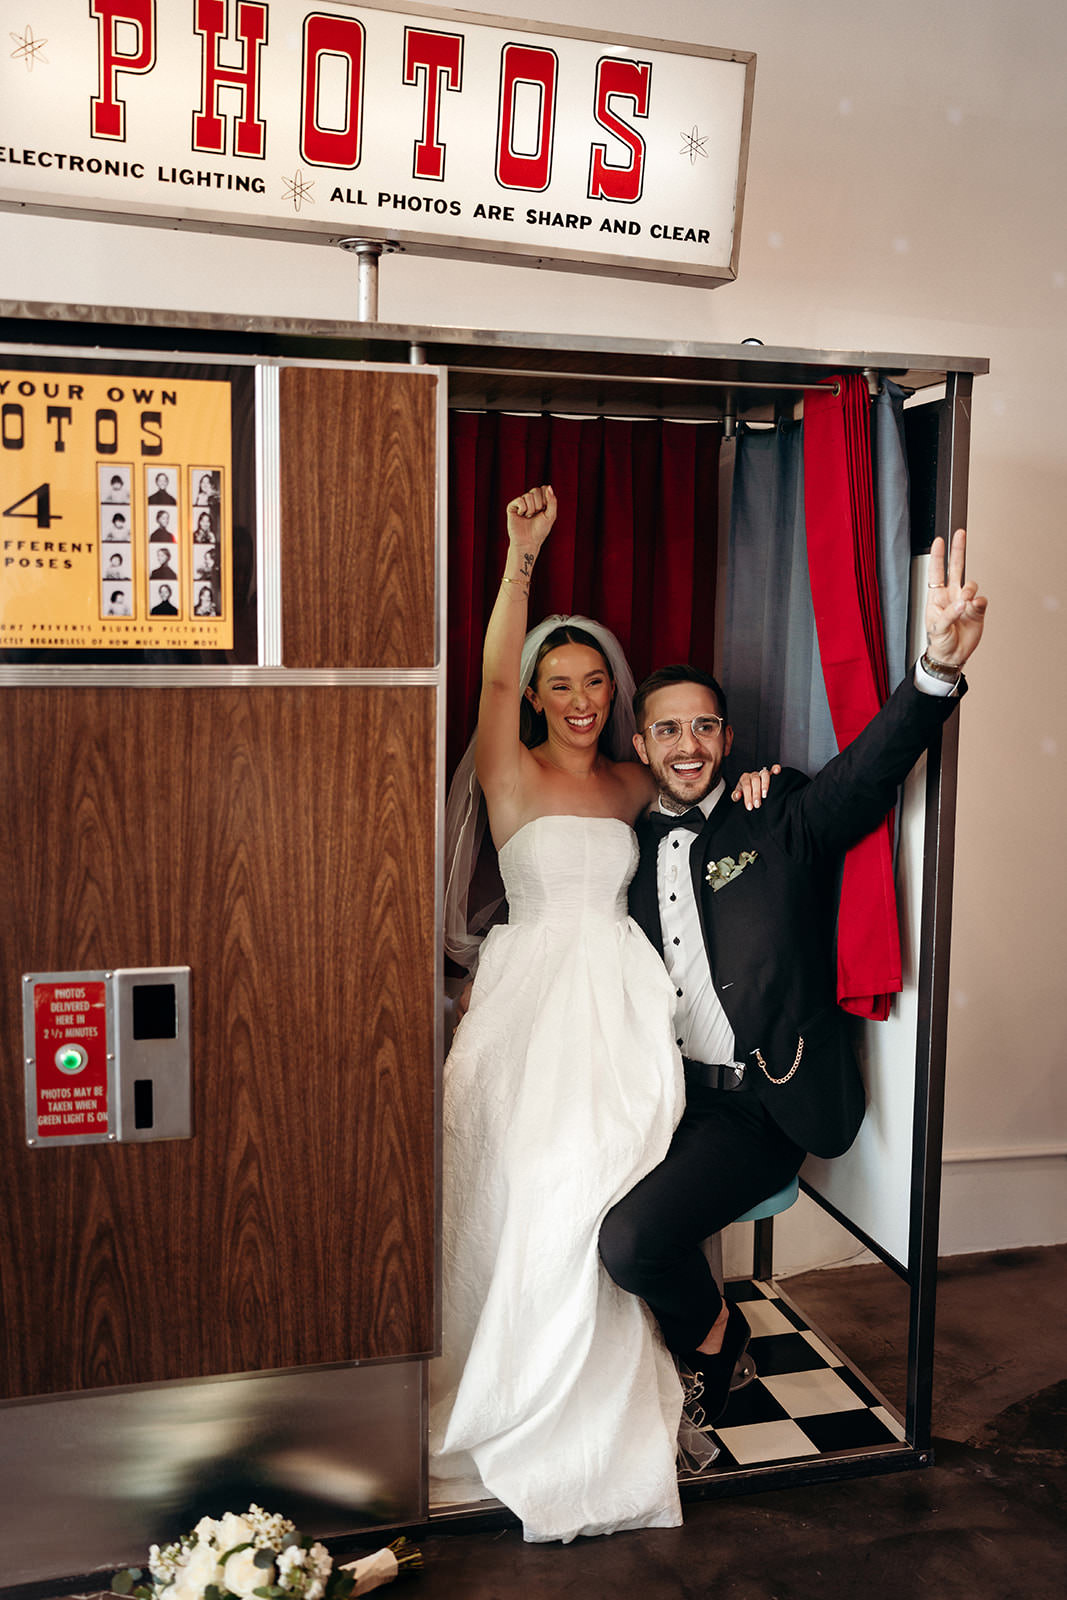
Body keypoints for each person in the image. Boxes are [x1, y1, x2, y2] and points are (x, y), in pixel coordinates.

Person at [598, 528, 988, 1430]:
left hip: (762, 1102)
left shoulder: (774, 814)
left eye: (703, 725)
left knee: (631, 1241)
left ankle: (712, 1341)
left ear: (727, 737)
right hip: (657, 1094)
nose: (687, 743)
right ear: (640, 743)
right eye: (667, 728)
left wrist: (935, 667)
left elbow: (870, 770)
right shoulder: (624, 848)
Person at [431, 485, 696, 1543]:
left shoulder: (636, 782)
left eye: (594, 681)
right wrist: (518, 559)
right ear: (534, 696)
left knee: (604, 1193)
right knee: (519, 1188)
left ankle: (600, 1407)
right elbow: (491, 667)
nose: (580, 697)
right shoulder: (510, 770)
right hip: (526, 1010)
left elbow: (699, 788)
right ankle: (504, 1382)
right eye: (560, 684)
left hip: (618, 1013)